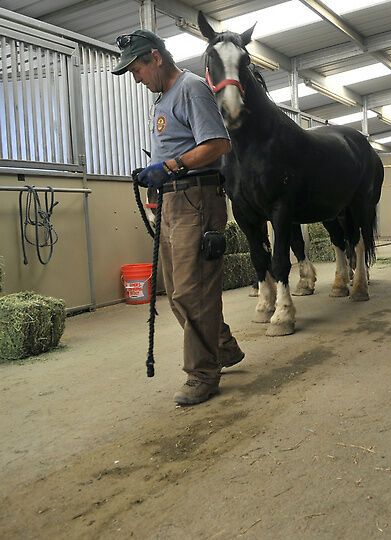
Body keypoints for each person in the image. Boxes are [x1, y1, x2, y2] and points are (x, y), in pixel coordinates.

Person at [113, 29, 244, 405]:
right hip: (171, 202)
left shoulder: (191, 88)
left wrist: (169, 166)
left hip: (195, 200)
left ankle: (203, 373)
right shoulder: (163, 99)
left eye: (137, 69)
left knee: (192, 291)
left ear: (155, 57)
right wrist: (153, 172)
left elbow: (219, 144)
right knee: (178, 292)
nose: (136, 78)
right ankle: (223, 347)